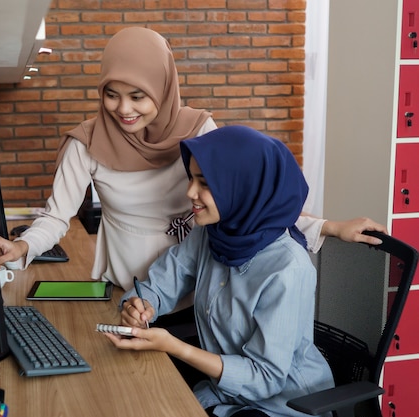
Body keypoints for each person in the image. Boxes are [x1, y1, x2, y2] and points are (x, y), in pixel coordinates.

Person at [0, 26, 386, 292]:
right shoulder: (86, 142)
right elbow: (56, 216)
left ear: (164, 89)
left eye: (138, 96)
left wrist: (329, 227)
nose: (123, 109)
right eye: (112, 94)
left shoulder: (199, 129)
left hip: (198, 286)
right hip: (127, 287)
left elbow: (243, 200)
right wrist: (23, 247)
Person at [103, 125, 334, 417]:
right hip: (223, 393)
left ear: (244, 186)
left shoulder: (288, 268)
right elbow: (160, 284)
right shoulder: (211, 233)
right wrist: (140, 306)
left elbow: (266, 379)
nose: (190, 192)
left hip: (284, 406)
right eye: (191, 178)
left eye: (205, 182)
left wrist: (175, 347)